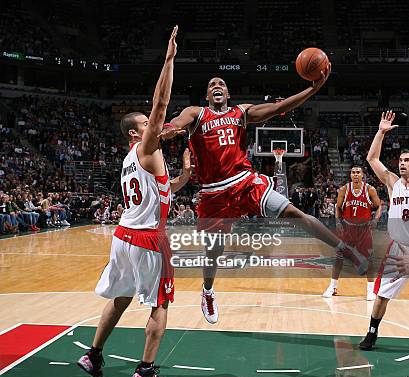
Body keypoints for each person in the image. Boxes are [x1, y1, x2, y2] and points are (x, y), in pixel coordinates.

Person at [160, 70, 368, 324]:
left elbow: (278, 107)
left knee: (295, 213)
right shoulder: (197, 113)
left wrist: (312, 90)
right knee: (214, 250)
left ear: (227, 93)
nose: (217, 85)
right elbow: (178, 122)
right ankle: (208, 290)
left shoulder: (241, 113)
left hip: (245, 183)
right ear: (207, 94)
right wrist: (170, 128)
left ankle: (345, 249)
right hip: (214, 193)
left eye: (221, 84)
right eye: (212, 83)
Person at [78, 27, 190, 377]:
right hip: (147, 240)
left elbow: (162, 191)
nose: (156, 125)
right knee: (161, 304)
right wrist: (169, 59)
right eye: (147, 125)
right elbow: (160, 104)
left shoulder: (133, 159)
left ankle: (92, 354)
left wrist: (185, 175)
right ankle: (145, 370)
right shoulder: (145, 147)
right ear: (134, 133)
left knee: (121, 296)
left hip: (123, 236)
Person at [359, 111, 409, 351]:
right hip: (398, 248)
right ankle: (372, 332)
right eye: (401, 160)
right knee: (383, 294)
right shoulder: (392, 182)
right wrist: (380, 132)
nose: (402, 163)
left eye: (407, 160)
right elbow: (372, 159)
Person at [323, 166, 382, 301]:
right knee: (339, 257)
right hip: (348, 229)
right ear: (350, 175)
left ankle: (370, 290)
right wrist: (338, 222)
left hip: (364, 229)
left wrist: (376, 219)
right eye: (353, 172)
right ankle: (332, 287)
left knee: (369, 259)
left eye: (358, 172)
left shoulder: (369, 189)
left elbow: (379, 206)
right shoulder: (344, 189)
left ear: (362, 175)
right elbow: (338, 207)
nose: (355, 175)